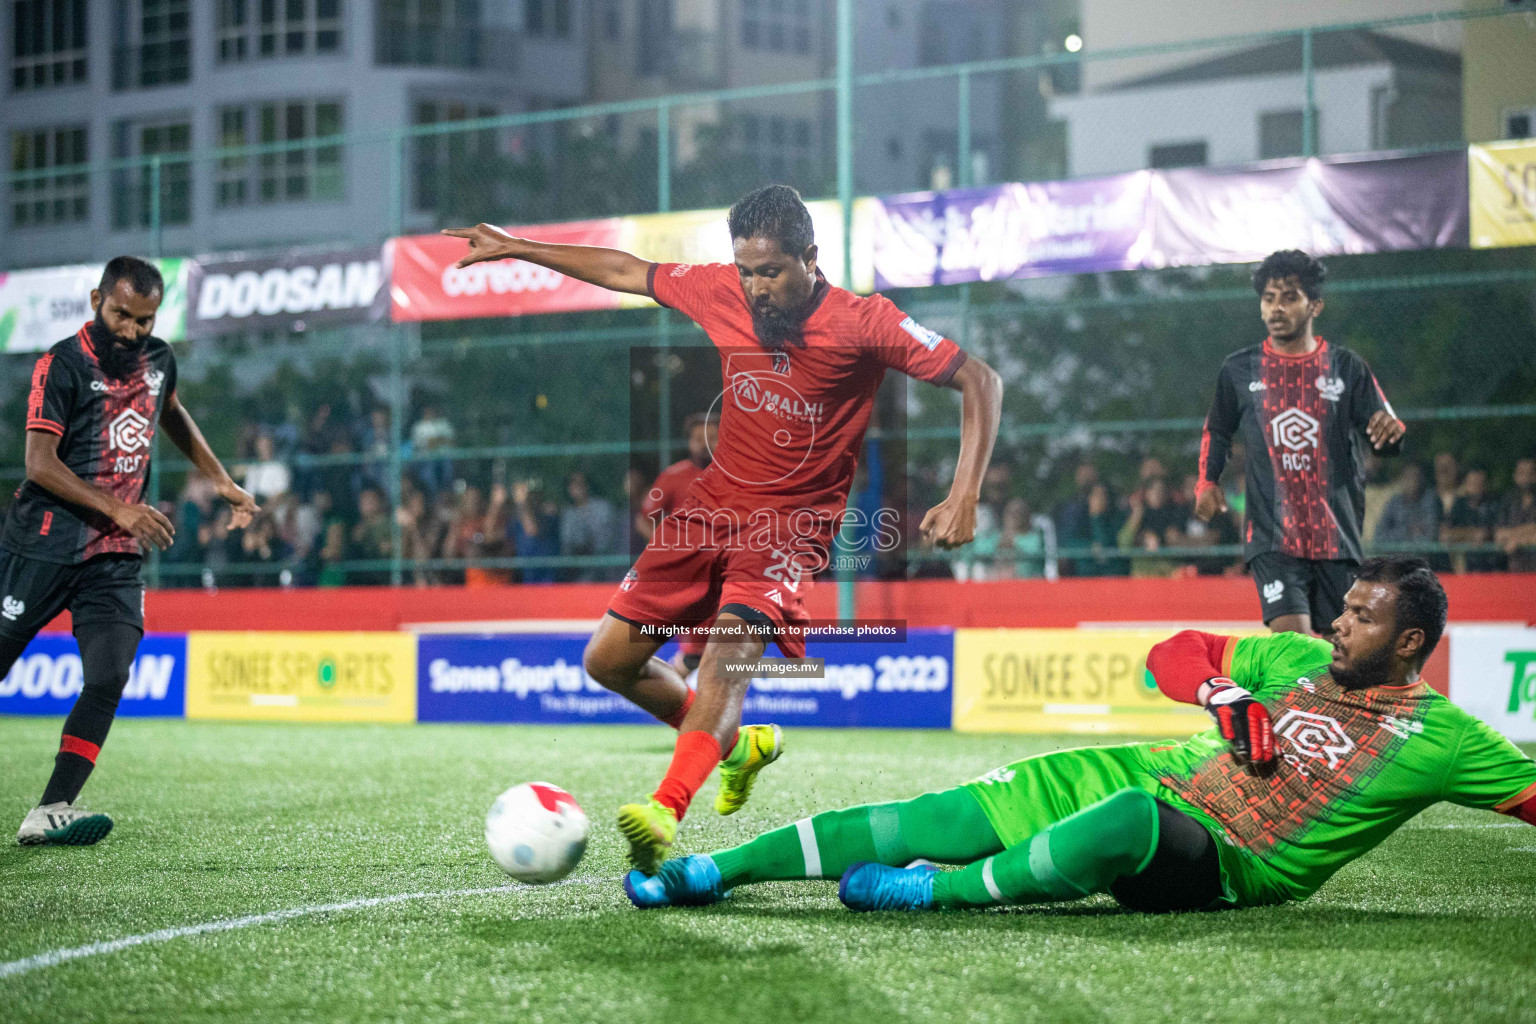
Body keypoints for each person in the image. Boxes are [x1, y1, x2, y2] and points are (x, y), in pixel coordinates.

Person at [445, 184, 1003, 872]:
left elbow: (979, 379)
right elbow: (627, 271)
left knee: (724, 656)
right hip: (707, 513)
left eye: (770, 271)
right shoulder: (722, 292)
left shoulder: (865, 321)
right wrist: (519, 247)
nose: (755, 287)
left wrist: (964, 492)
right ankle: (739, 748)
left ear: (810, 258)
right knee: (607, 662)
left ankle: (666, 807)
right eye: (745, 270)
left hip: (789, 528)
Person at [625, 556, 1536, 912]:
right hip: (1152, 772)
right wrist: (1222, 694)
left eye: (1365, 619)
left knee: (1131, 817)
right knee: (945, 809)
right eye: (1346, 609)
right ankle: (714, 870)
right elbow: (1169, 654)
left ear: (1409, 643)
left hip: (1223, 862)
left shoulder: (1448, 738)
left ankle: (937, 897)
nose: (1341, 624)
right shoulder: (1293, 660)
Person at [9, 257, 257, 846]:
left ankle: (51, 809)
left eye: (145, 320)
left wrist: (219, 478)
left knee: (110, 673)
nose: (133, 331)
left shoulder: (158, 359)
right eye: (122, 314)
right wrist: (117, 506)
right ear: (97, 299)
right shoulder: (61, 363)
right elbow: (39, 464)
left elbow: (169, 411)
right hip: (43, 541)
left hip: (114, 553)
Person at [1196, 250, 1404, 637]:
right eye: (1269, 298)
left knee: (1334, 655)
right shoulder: (1239, 369)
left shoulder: (1348, 368)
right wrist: (1207, 483)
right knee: (1295, 644)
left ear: (1315, 306)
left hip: (1337, 538)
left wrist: (1390, 433)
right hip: (1273, 538)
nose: (1277, 308)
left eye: (1290, 297)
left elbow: (1387, 434)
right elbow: (1217, 430)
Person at [638, 412, 719, 674]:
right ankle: (668, 707)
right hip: (694, 578)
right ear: (689, 442)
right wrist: (668, 552)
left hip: (731, 576)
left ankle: (711, 713)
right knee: (696, 657)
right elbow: (644, 519)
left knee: (727, 657)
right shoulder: (673, 476)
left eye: (711, 437)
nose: (704, 442)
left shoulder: (736, 475)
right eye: (698, 438)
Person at [1376, 462, 1439, 548]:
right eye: (1408, 477)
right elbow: (1379, 537)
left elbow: (1431, 535)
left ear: (1421, 480)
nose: (1412, 482)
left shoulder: (1429, 500)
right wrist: (1407, 532)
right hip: (1396, 557)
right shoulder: (1394, 503)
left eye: (1416, 477)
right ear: (1401, 480)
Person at [1496, 457, 1536, 572]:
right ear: (1515, 476)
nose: (1526, 478)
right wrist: (1529, 535)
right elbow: (1499, 534)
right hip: (1514, 573)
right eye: (1522, 473)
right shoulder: (1508, 501)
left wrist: (1517, 540)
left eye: (1531, 473)